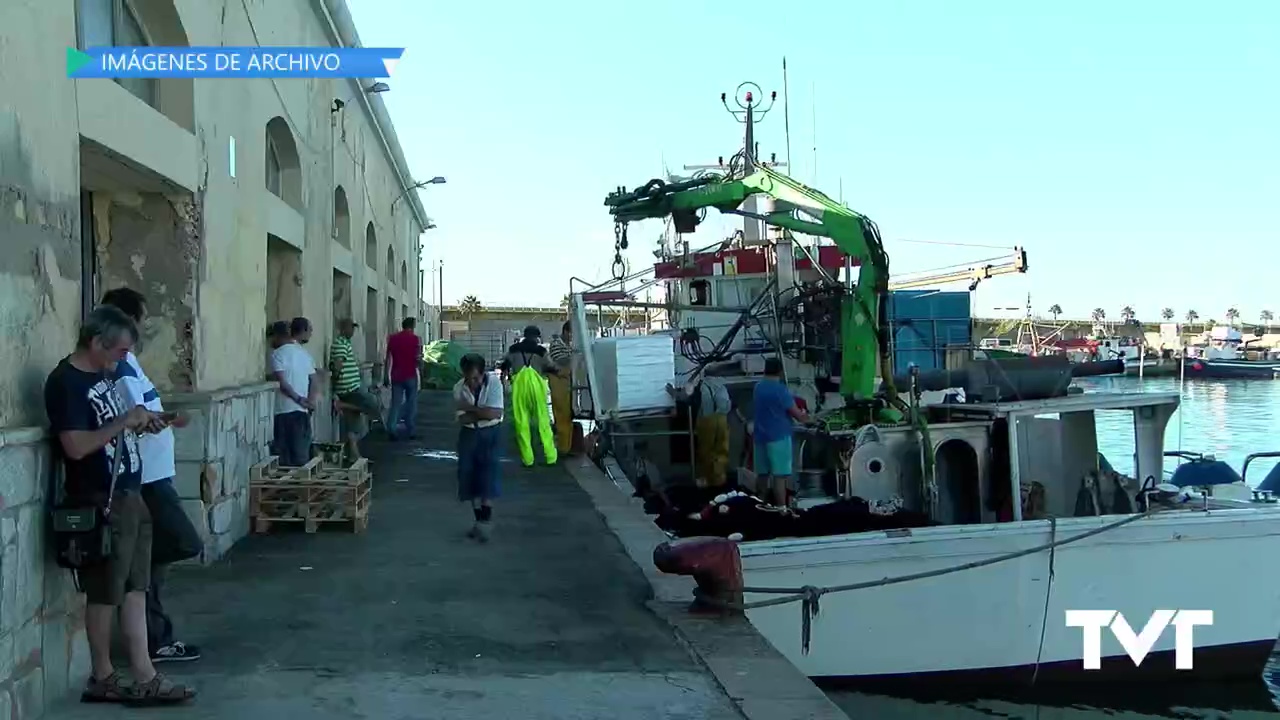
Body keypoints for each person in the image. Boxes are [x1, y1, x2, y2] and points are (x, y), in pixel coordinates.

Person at [45, 305, 196, 704]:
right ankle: (103, 675)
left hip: (131, 494)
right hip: (100, 500)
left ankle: (145, 674)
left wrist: (148, 420)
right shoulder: (66, 383)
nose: (123, 359)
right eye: (119, 351)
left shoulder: (104, 375)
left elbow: (116, 425)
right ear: (96, 342)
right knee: (105, 593)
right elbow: (75, 446)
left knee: (135, 588)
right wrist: (123, 422)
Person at [100, 288, 204, 666]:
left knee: (157, 559)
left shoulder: (132, 365)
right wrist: (163, 420)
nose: (144, 327)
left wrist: (168, 415)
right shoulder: (123, 369)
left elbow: (144, 415)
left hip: (158, 473)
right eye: (141, 320)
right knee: (182, 543)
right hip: (147, 477)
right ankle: (128, 575)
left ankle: (155, 637)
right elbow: (134, 421)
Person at [454, 353, 504, 541]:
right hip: (468, 433)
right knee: (468, 475)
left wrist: (471, 409)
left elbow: (495, 414)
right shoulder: (458, 388)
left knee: (488, 473)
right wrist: (481, 412)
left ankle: (486, 521)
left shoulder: (494, 384)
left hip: (490, 433)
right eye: (468, 378)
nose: (472, 383)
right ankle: (479, 522)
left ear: (483, 374)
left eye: (475, 378)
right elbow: (462, 418)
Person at [752, 358, 810, 507]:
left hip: (760, 437)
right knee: (779, 477)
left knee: (762, 475)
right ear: (779, 371)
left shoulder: (758, 388)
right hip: (779, 438)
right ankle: (782, 509)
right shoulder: (780, 390)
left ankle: (760, 505)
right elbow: (797, 415)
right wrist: (807, 417)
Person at [499, 326, 557, 467]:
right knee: (543, 421)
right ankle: (550, 456)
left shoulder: (513, 349)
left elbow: (504, 365)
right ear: (537, 337)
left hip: (519, 387)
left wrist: (504, 379)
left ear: (524, 335)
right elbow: (551, 367)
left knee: (521, 422)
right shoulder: (541, 351)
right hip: (537, 387)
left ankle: (528, 458)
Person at [666, 371, 732, 488]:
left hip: (707, 420)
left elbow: (687, 398)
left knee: (706, 451)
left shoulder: (700, 386)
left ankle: (709, 480)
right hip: (723, 419)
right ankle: (720, 478)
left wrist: (673, 393)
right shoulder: (721, 385)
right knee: (721, 450)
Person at [329, 318, 381, 459]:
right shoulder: (340, 344)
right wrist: (335, 386)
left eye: (353, 328)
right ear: (343, 328)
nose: (352, 331)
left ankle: (354, 455)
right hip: (349, 387)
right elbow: (338, 366)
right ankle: (342, 404)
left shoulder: (345, 343)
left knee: (353, 423)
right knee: (373, 405)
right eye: (350, 328)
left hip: (352, 386)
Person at [269, 320, 318, 466]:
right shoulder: (304, 354)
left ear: (278, 336)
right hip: (302, 411)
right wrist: (310, 401)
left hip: (284, 410)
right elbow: (314, 379)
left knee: (284, 456)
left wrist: (298, 399)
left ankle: (290, 488)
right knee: (302, 456)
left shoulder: (277, 354)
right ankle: (303, 487)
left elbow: (283, 383)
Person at [383, 317, 422, 441]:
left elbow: (388, 358)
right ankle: (410, 429)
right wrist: (421, 370)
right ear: (413, 326)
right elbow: (418, 358)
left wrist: (385, 374)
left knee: (395, 403)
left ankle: (392, 428)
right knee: (411, 403)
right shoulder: (415, 339)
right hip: (410, 374)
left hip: (396, 375)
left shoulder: (393, 339)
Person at [546, 321, 575, 455]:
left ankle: (567, 446)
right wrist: (576, 355)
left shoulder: (568, 345)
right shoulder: (557, 344)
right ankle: (562, 448)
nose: (571, 336)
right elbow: (562, 360)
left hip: (566, 383)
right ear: (565, 331)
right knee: (562, 415)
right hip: (559, 382)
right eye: (570, 333)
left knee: (567, 416)